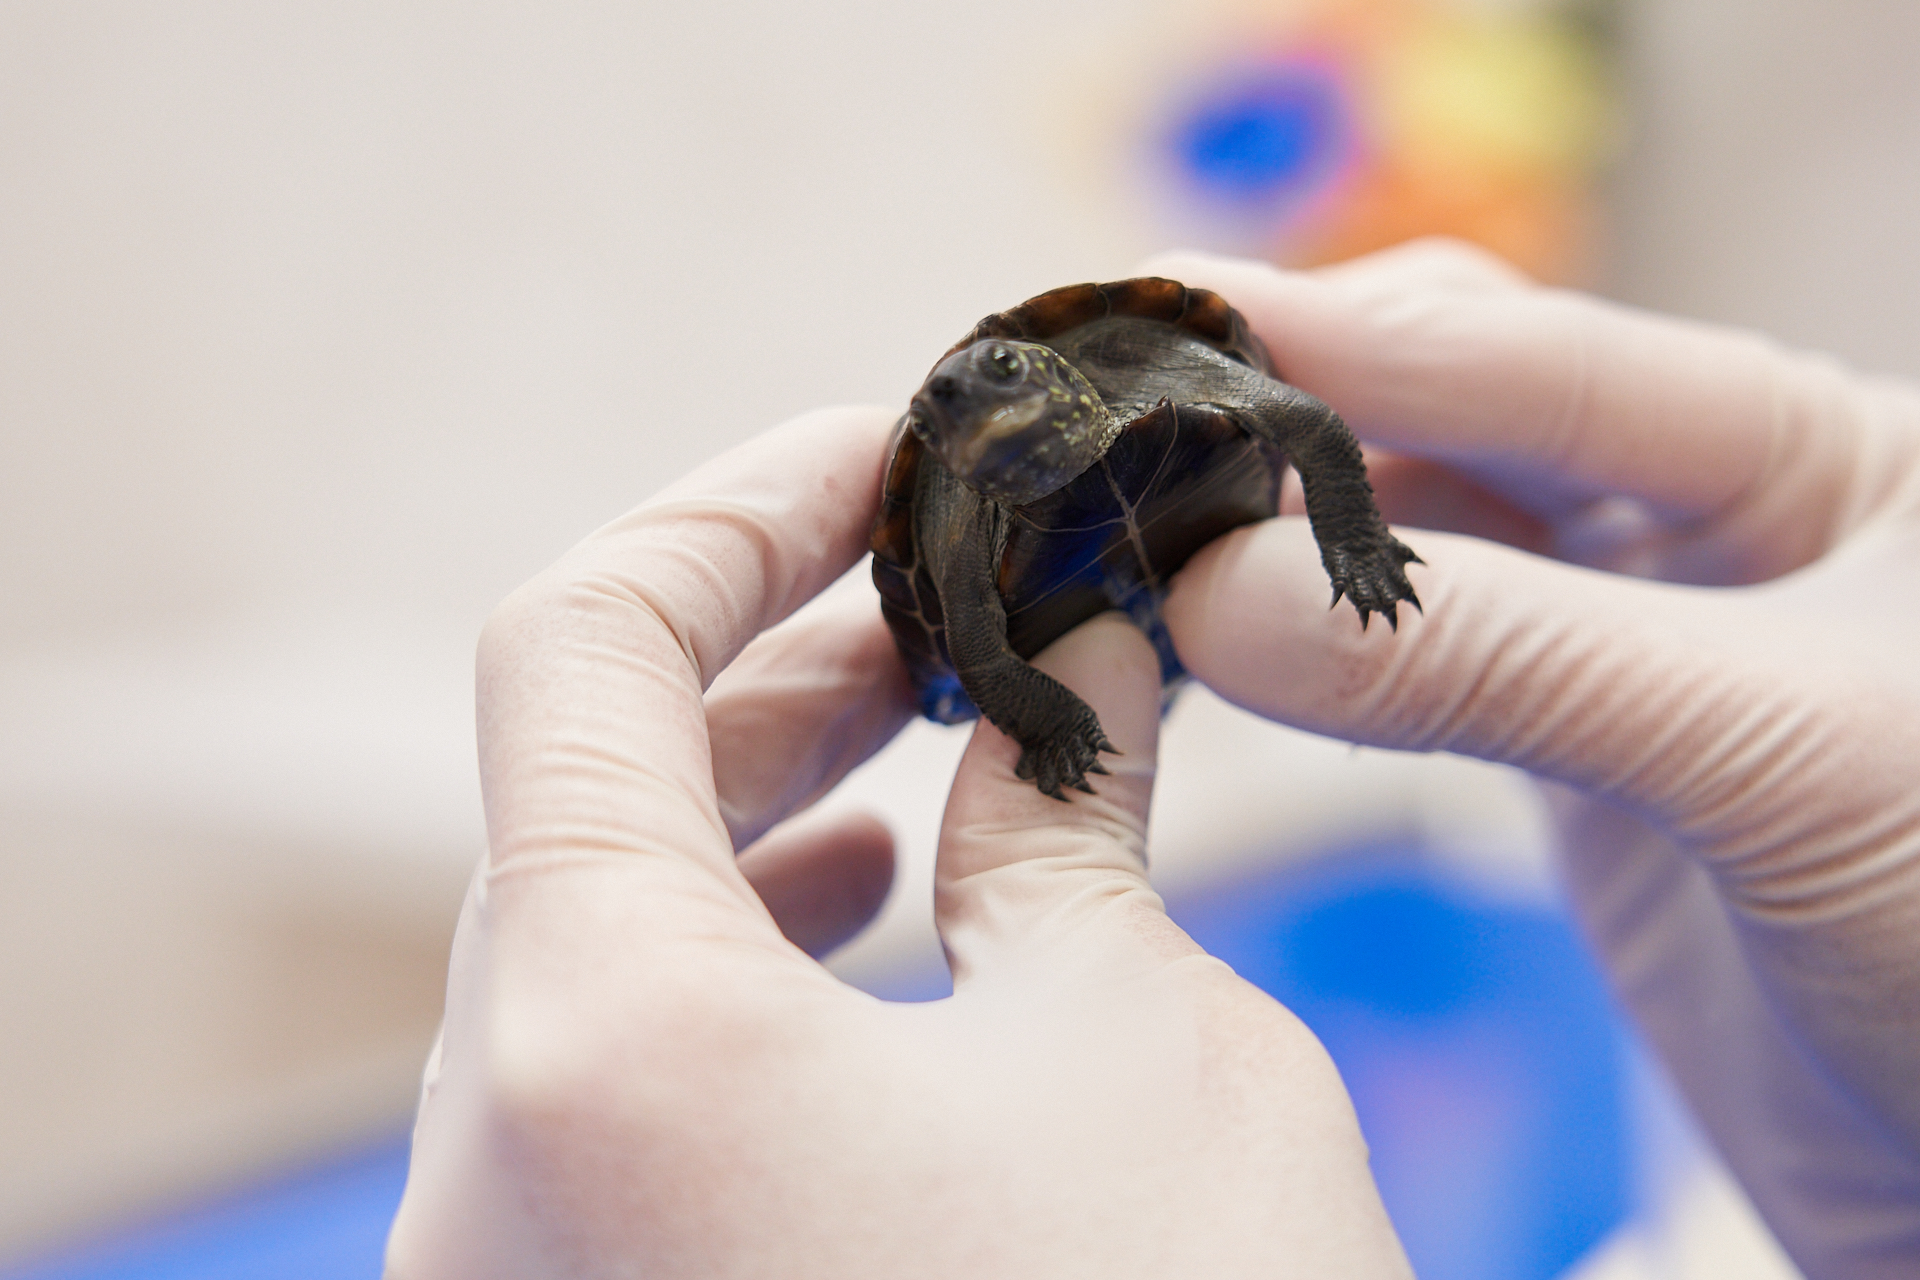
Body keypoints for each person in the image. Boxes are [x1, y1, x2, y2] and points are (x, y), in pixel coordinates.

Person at [383, 241, 1920, 1279]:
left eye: (1000, 381)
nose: (976, 397)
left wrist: (1360, 549)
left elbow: (1314, 426)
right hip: (1071, 635)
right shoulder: (959, 501)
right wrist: (1036, 714)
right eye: (956, 395)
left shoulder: (1171, 372)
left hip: (1184, 549)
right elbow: (971, 639)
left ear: (1063, 377)